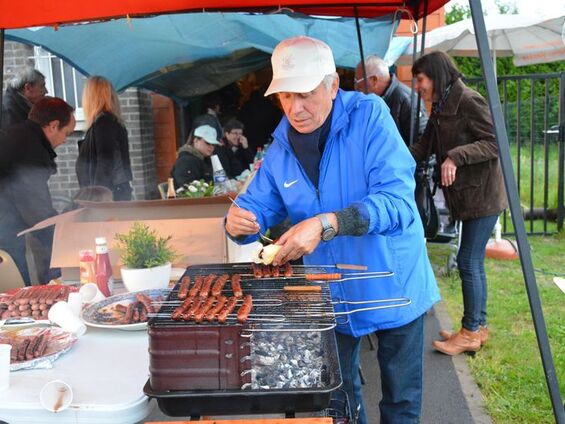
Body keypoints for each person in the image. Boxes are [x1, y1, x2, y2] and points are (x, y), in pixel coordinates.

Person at [225, 36, 439, 424]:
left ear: (333, 85)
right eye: (286, 97)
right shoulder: (281, 147)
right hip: (330, 294)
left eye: (305, 94)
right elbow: (254, 206)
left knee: (400, 403)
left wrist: (327, 224)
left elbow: (398, 202)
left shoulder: (370, 116)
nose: (295, 108)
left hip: (393, 284)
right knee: (336, 401)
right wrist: (238, 223)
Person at [409, 51, 508, 356]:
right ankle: (476, 327)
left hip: (484, 195)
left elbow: (495, 142)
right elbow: (424, 147)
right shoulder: (441, 105)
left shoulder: (468, 100)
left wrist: (456, 155)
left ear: (436, 76)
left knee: (468, 260)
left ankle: (470, 332)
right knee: (471, 261)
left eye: (420, 79)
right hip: (469, 195)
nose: (417, 86)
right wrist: (390, 161)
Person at [0, 97, 76, 284]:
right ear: (53, 126)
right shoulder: (29, 149)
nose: (65, 140)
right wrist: (63, 244)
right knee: (16, 292)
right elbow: (36, 210)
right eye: (66, 133)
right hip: (5, 230)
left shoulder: (19, 136)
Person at [75, 76, 133, 201]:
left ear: (90, 97)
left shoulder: (104, 123)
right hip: (114, 192)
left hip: (109, 195)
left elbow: (105, 161)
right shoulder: (109, 121)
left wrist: (97, 196)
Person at [355, 55, 428, 147]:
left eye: (357, 81)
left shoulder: (407, 99)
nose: (356, 88)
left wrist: (398, 160)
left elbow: (422, 143)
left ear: (374, 80)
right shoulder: (371, 101)